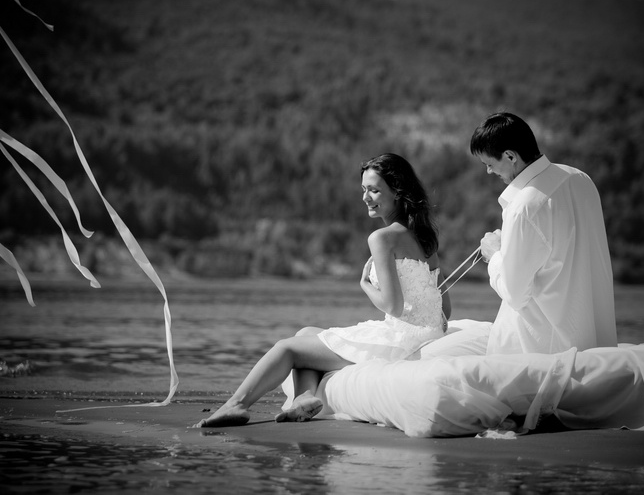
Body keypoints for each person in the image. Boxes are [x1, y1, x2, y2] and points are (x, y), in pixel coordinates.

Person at [195, 153, 451, 427]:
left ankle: (236, 405)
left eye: (374, 190)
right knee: (306, 334)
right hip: (426, 336)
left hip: (401, 344)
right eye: (363, 189)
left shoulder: (382, 238)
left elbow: (393, 306)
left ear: (397, 192)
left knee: (286, 348)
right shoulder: (425, 240)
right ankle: (304, 398)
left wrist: (365, 285)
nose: (365, 197)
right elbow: (445, 309)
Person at [471, 112, 617, 354]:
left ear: (510, 156)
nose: (488, 171)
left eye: (489, 164)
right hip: (594, 346)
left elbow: (515, 295)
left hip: (539, 354)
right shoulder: (581, 179)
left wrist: (495, 254)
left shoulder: (523, 208)